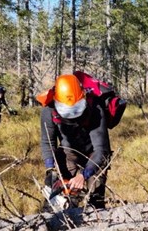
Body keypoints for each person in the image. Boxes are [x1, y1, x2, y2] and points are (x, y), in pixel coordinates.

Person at [38, 73, 111, 209]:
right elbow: (48, 142)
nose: (72, 115)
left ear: (83, 96)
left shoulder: (94, 108)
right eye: (66, 111)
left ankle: (96, 223)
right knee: (61, 197)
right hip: (68, 154)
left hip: (93, 155)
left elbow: (101, 149)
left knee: (96, 200)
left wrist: (84, 175)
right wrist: (51, 169)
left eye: (76, 109)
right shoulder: (49, 110)